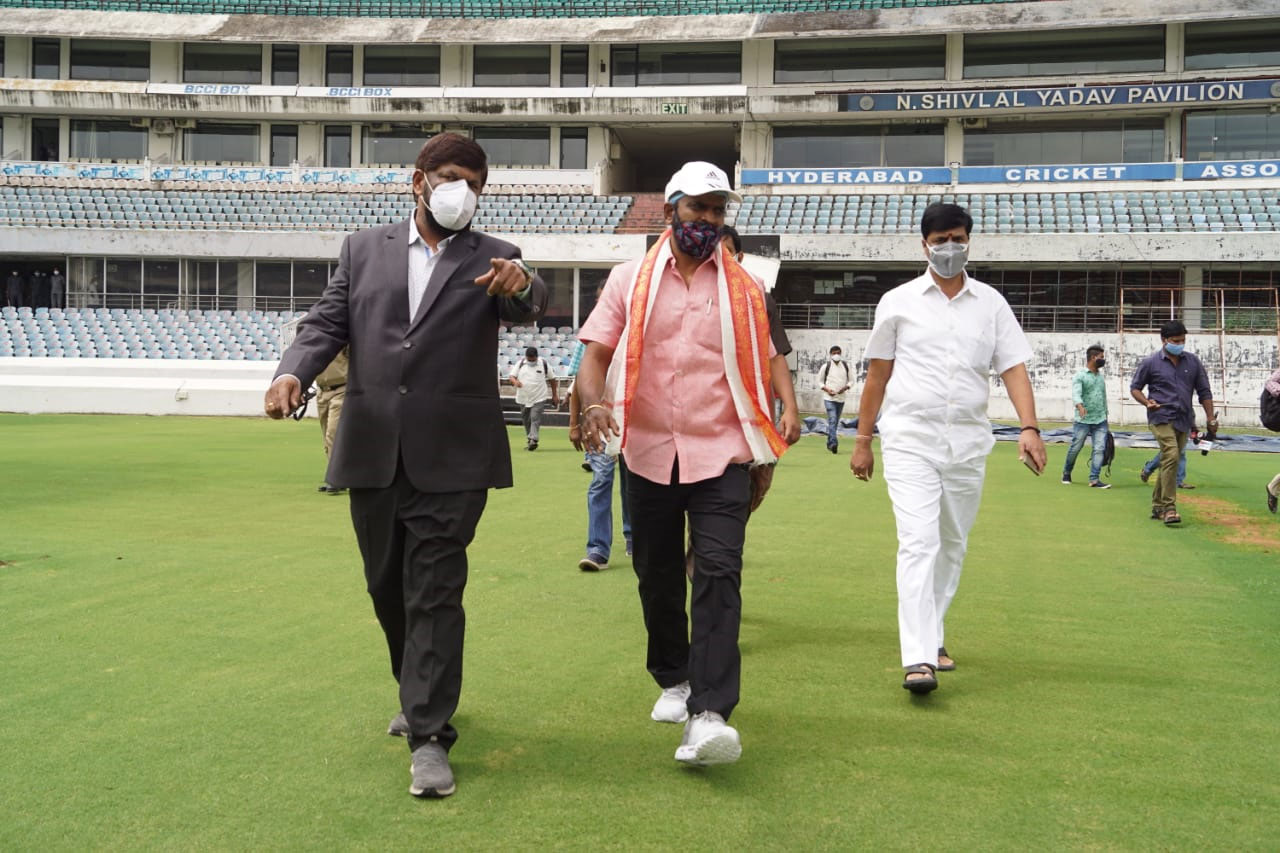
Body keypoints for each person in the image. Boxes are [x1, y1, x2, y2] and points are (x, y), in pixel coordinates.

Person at [263, 132, 548, 799]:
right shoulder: (364, 249)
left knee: (434, 591)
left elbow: (529, 299)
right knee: (386, 587)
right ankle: (416, 689)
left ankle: (429, 734)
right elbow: (325, 323)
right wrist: (290, 374)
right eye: (450, 177)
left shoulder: (497, 256)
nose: (462, 192)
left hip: (455, 455)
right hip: (372, 447)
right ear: (418, 180)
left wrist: (524, 283)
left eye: (475, 184)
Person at [576, 161, 793, 766]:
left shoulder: (748, 290)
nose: (709, 219)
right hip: (647, 450)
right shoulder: (628, 279)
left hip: (722, 453)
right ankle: (674, 676)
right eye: (699, 207)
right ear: (671, 208)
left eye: (718, 210)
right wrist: (593, 403)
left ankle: (711, 713)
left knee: (720, 572)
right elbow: (596, 354)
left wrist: (775, 431)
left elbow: (765, 362)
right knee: (657, 574)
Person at [850, 202, 1046, 695]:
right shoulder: (897, 302)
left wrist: (1029, 427)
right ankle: (918, 657)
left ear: (969, 241)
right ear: (924, 246)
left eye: (957, 238)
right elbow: (878, 376)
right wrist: (862, 440)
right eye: (940, 241)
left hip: (967, 443)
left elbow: (1013, 367)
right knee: (919, 542)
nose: (949, 248)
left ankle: (933, 634)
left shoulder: (991, 304)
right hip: (910, 440)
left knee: (952, 544)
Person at [1129, 320, 1216, 526]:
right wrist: (1146, 402)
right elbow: (1135, 388)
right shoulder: (1151, 363)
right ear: (1164, 340)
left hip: (1183, 418)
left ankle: (1157, 506)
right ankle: (1169, 508)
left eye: (1183, 340)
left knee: (1170, 460)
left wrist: (1210, 417)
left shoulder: (1193, 362)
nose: (1180, 344)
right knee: (1171, 454)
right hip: (1160, 416)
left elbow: (1204, 391)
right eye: (1176, 341)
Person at [568, 377, 632, 571]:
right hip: (600, 430)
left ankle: (632, 536)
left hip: (631, 427)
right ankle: (598, 549)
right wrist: (574, 425)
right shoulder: (592, 362)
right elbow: (578, 384)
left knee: (632, 483)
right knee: (600, 482)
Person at [1061, 344, 1111, 488]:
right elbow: (1076, 393)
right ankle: (1067, 472)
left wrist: (1106, 416)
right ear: (1093, 358)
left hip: (1100, 420)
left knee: (1099, 449)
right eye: (1101, 357)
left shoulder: (1100, 377)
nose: (1103, 360)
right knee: (1076, 447)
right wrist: (1080, 406)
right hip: (1083, 420)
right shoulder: (1080, 376)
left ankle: (1094, 479)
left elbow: (1103, 397)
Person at [509, 345, 558, 451]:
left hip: (539, 396)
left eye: (533, 360)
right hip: (523, 397)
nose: (531, 361)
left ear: (537, 356)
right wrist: (515, 382)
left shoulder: (544, 363)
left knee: (534, 417)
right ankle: (530, 439)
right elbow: (512, 376)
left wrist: (554, 395)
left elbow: (552, 379)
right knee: (526, 419)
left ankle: (534, 439)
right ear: (526, 357)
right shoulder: (520, 363)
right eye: (529, 360)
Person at [315, 346, 349, 494]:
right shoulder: (315, 341)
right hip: (322, 390)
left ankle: (335, 479)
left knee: (332, 433)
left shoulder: (343, 340)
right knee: (326, 435)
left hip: (342, 388)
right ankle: (337, 476)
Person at [818, 345, 852, 454]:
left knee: (835, 422)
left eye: (838, 353)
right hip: (829, 398)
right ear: (830, 354)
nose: (836, 355)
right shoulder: (826, 366)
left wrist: (845, 388)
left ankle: (829, 443)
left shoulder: (846, 366)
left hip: (841, 399)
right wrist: (827, 390)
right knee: (832, 420)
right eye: (834, 353)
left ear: (841, 354)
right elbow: (820, 382)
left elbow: (851, 381)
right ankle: (834, 443)